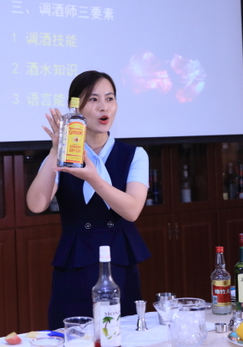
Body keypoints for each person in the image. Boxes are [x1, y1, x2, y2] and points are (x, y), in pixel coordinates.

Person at [26, 70, 151, 330]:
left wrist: (93, 178)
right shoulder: (62, 153)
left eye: (110, 98)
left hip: (119, 259)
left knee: (122, 334)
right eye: (93, 99)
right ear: (76, 108)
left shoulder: (135, 155)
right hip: (76, 260)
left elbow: (131, 211)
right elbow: (36, 204)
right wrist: (55, 149)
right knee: (73, 334)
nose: (104, 107)